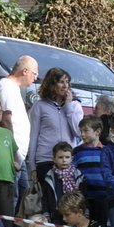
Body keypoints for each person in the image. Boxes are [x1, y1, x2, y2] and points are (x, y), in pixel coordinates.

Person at [0, 55, 37, 211]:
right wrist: (13, 152)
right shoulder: (6, 87)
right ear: (25, 71)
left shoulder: (13, 88)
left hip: (18, 155)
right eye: (35, 74)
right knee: (12, 197)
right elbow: (5, 119)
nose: (35, 79)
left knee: (23, 197)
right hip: (11, 154)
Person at [26, 67, 83, 195]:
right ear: (52, 84)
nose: (65, 86)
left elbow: (78, 133)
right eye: (61, 82)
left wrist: (68, 107)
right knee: (49, 200)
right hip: (45, 160)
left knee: (69, 200)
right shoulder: (39, 106)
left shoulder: (75, 106)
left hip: (68, 160)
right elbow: (34, 136)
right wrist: (32, 166)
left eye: (67, 82)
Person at [72, 116, 114, 223]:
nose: (82, 134)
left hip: (103, 197)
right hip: (84, 198)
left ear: (97, 131)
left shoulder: (106, 151)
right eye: (81, 131)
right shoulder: (77, 151)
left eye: (86, 131)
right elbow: (73, 173)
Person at [41, 142, 83, 222]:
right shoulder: (50, 176)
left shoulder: (78, 174)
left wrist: (84, 210)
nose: (64, 160)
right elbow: (45, 196)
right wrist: (46, 213)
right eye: (60, 157)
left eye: (67, 157)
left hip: (74, 213)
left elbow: (83, 194)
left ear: (72, 158)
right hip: (56, 213)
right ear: (54, 159)